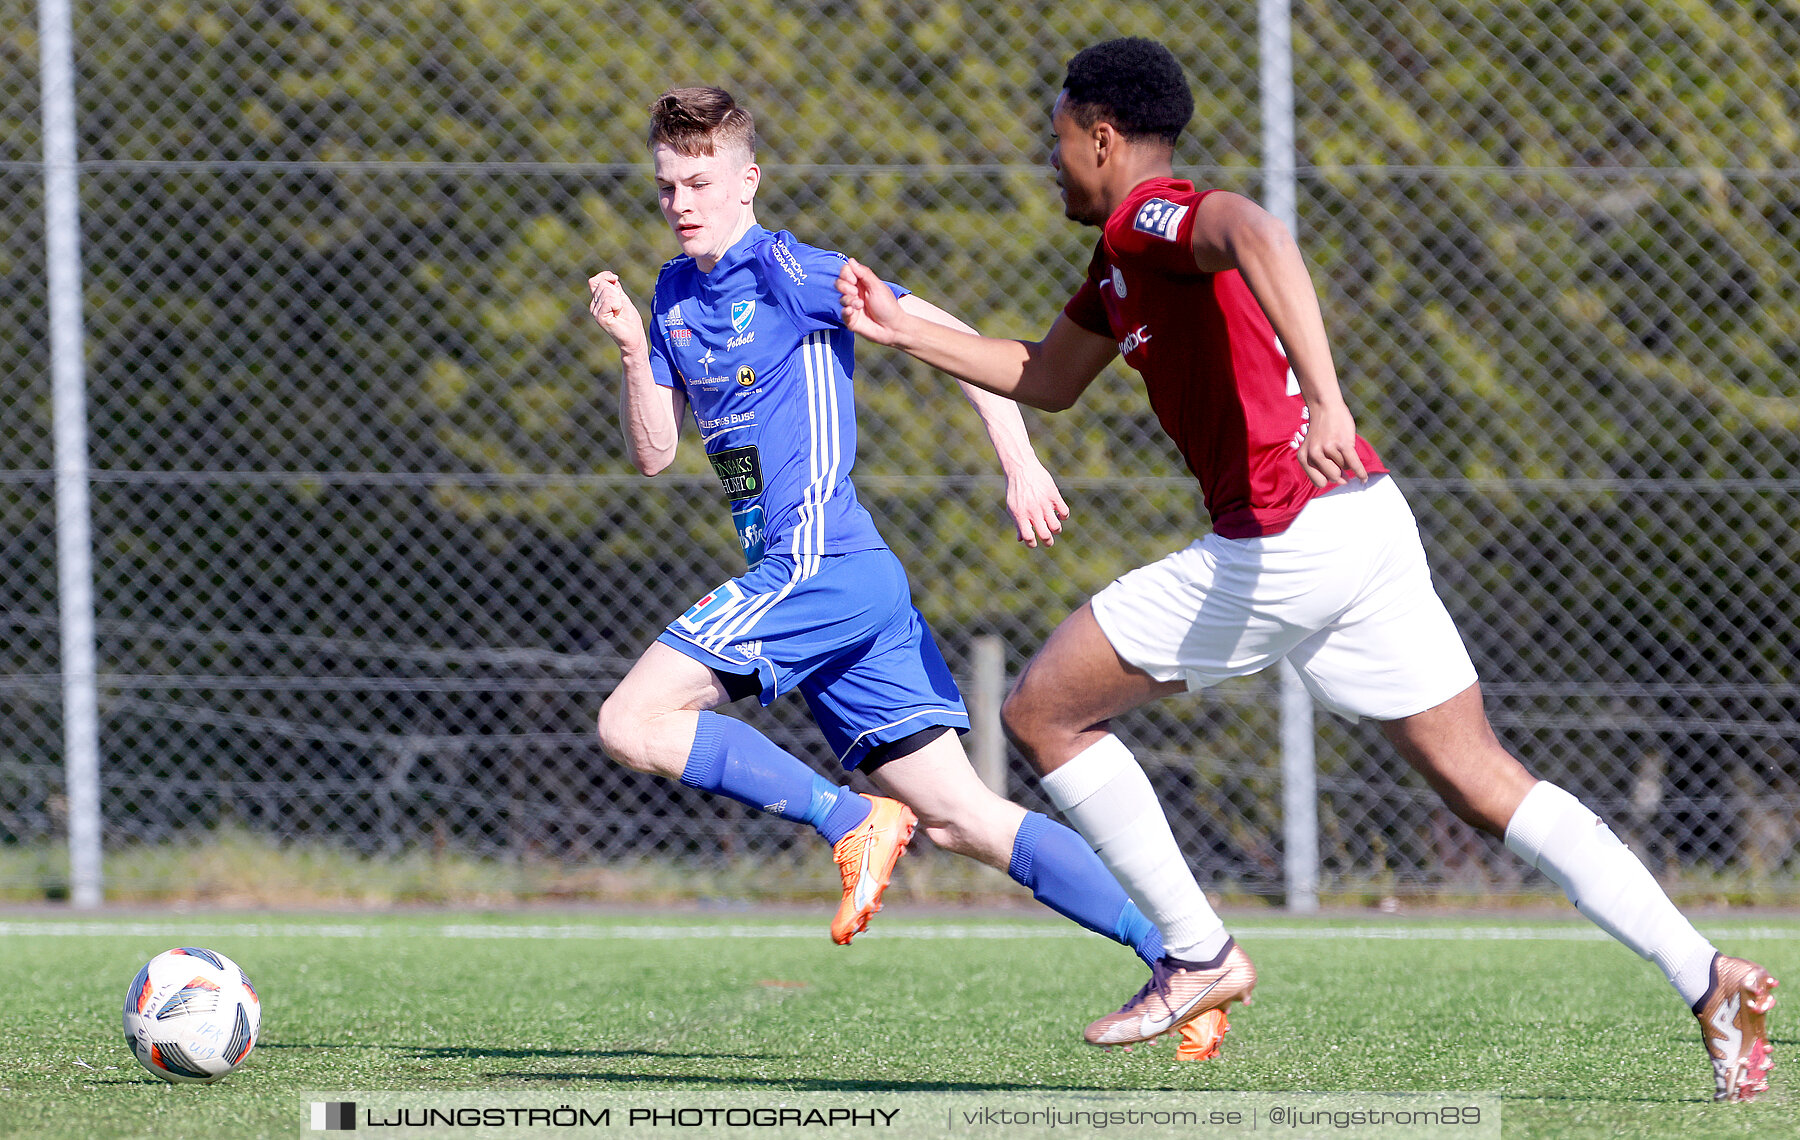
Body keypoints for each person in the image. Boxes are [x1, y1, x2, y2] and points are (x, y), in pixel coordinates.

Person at [836, 38, 1777, 1101]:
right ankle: (1709, 979)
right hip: (1363, 524)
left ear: (1102, 136)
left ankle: (1196, 954)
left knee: (1045, 710)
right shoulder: (1117, 261)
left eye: (1057, 138)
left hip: (1287, 536)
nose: (1049, 158)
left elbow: (1254, 228)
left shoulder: (1152, 218)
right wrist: (898, 328)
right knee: (1483, 778)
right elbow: (1044, 378)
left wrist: (1329, 398)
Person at [584, 86, 1169, 972]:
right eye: (667, 187)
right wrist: (633, 350)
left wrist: (1020, 460)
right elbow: (656, 452)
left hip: (818, 564)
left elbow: (946, 334)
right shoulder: (670, 296)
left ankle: (851, 821)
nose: (681, 205)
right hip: (844, 583)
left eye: (700, 184)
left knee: (631, 721)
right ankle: (1179, 954)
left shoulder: (788, 270)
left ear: (748, 181)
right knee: (961, 818)